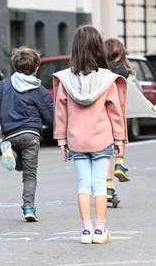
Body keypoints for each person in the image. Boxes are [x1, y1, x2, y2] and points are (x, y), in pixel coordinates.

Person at [53, 26, 127, 244]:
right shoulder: (108, 79)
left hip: (77, 140)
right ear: (98, 48)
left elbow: (61, 112)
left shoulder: (65, 79)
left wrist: (62, 140)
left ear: (75, 49)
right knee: (100, 184)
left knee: (83, 184)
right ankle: (100, 230)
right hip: (102, 138)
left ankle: (86, 230)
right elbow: (115, 113)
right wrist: (119, 140)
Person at [0, 47, 54, 222]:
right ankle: (29, 207)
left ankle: (10, 152)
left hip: (10, 135)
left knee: (19, 165)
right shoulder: (39, 90)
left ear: (15, 66)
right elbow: (50, 118)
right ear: (36, 68)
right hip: (31, 135)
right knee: (29, 174)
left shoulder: (5, 85)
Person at [104, 38, 132, 184]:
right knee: (120, 138)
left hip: (103, 112)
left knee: (105, 149)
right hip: (119, 112)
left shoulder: (101, 72)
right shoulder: (126, 72)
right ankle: (120, 162)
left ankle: (109, 185)